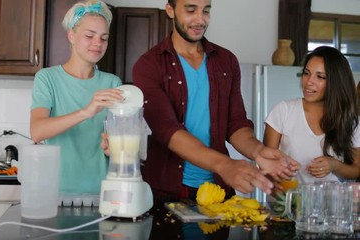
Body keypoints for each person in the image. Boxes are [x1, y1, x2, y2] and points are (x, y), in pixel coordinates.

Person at [132, 0, 298, 203]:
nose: (200, 19)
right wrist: (225, 165)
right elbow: (167, 130)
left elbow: (235, 123)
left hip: (219, 190)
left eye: (206, 11)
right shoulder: (149, 65)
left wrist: (259, 152)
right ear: (171, 10)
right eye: (191, 10)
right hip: (168, 190)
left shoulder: (226, 61)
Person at [30, 0, 123, 195]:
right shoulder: (47, 78)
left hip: (103, 193)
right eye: (90, 35)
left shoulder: (114, 83)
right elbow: (37, 131)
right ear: (71, 35)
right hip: (58, 194)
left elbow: (119, 149)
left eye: (104, 38)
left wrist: (112, 150)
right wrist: (86, 111)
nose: (98, 43)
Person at [264, 46, 360, 184]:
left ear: (336, 82)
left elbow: (357, 169)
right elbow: (265, 162)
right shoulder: (283, 111)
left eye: (320, 77)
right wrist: (281, 168)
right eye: (306, 73)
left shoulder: (350, 120)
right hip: (285, 202)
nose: (308, 82)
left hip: (331, 203)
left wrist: (334, 165)